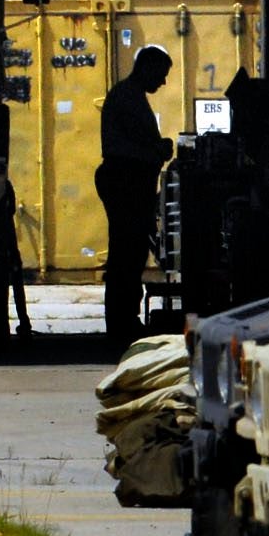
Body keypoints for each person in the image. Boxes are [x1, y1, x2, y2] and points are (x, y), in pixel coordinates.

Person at [96, 44, 174, 341]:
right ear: (146, 68)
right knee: (126, 254)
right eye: (161, 74)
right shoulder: (128, 98)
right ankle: (121, 324)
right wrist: (158, 148)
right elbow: (131, 145)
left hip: (128, 180)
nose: (163, 82)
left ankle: (124, 320)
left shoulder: (129, 96)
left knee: (129, 253)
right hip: (124, 180)